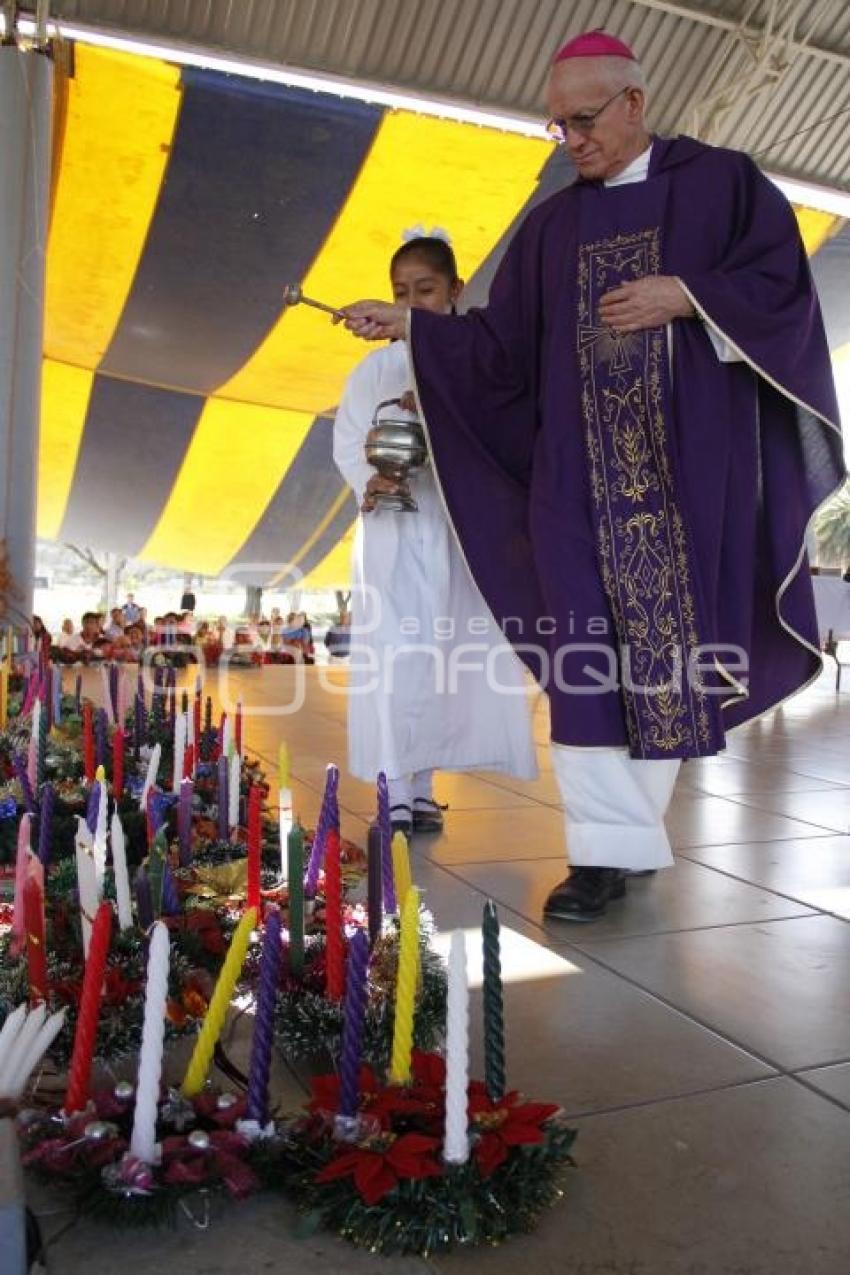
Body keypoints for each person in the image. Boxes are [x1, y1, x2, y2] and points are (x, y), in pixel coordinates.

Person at [339, 32, 845, 915]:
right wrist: (416, 327)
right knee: (583, 663)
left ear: (634, 103)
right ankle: (601, 853)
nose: (571, 140)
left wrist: (688, 296)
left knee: (671, 660)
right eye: (557, 125)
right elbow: (499, 352)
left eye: (583, 120)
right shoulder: (552, 227)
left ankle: (628, 840)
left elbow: (783, 296)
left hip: (689, 477)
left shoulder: (726, 186)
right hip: (575, 487)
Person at [334, 233, 537, 836]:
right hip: (394, 531)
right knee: (395, 657)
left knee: (446, 659)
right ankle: (394, 788)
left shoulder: (481, 360)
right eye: (401, 293)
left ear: (456, 291)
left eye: (426, 290)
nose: (413, 303)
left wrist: (439, 411)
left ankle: (422, 787)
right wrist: (368, 482)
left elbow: (502, 433)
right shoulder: (373, 369)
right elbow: (349, 440)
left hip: (458, 530)